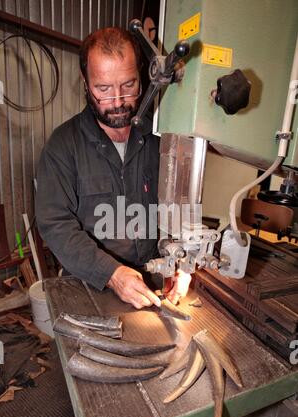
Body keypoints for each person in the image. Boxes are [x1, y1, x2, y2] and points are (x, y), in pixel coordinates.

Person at [36, 27, 191, 309]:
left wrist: (184, 260)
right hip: (90, 286)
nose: (118, 102)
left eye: (128, 85)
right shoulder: (62, 146)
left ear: (143, 78)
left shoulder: (160, 140)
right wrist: (112, 275)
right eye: (103, 89)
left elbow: (178, 205)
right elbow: (55, 224)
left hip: (153, 282)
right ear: (85, 82)